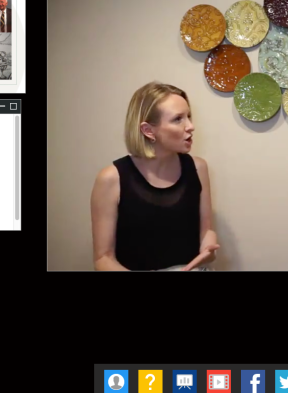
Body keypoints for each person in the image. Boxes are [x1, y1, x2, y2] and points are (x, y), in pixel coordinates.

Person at [91, 82, 220, 271]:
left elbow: (206, 230)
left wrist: (209, 246)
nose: (191, 126)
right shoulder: (111, 178)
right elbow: (103, 259)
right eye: (178, 119)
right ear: (148, 130)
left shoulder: (198, 168)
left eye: (189, 116)